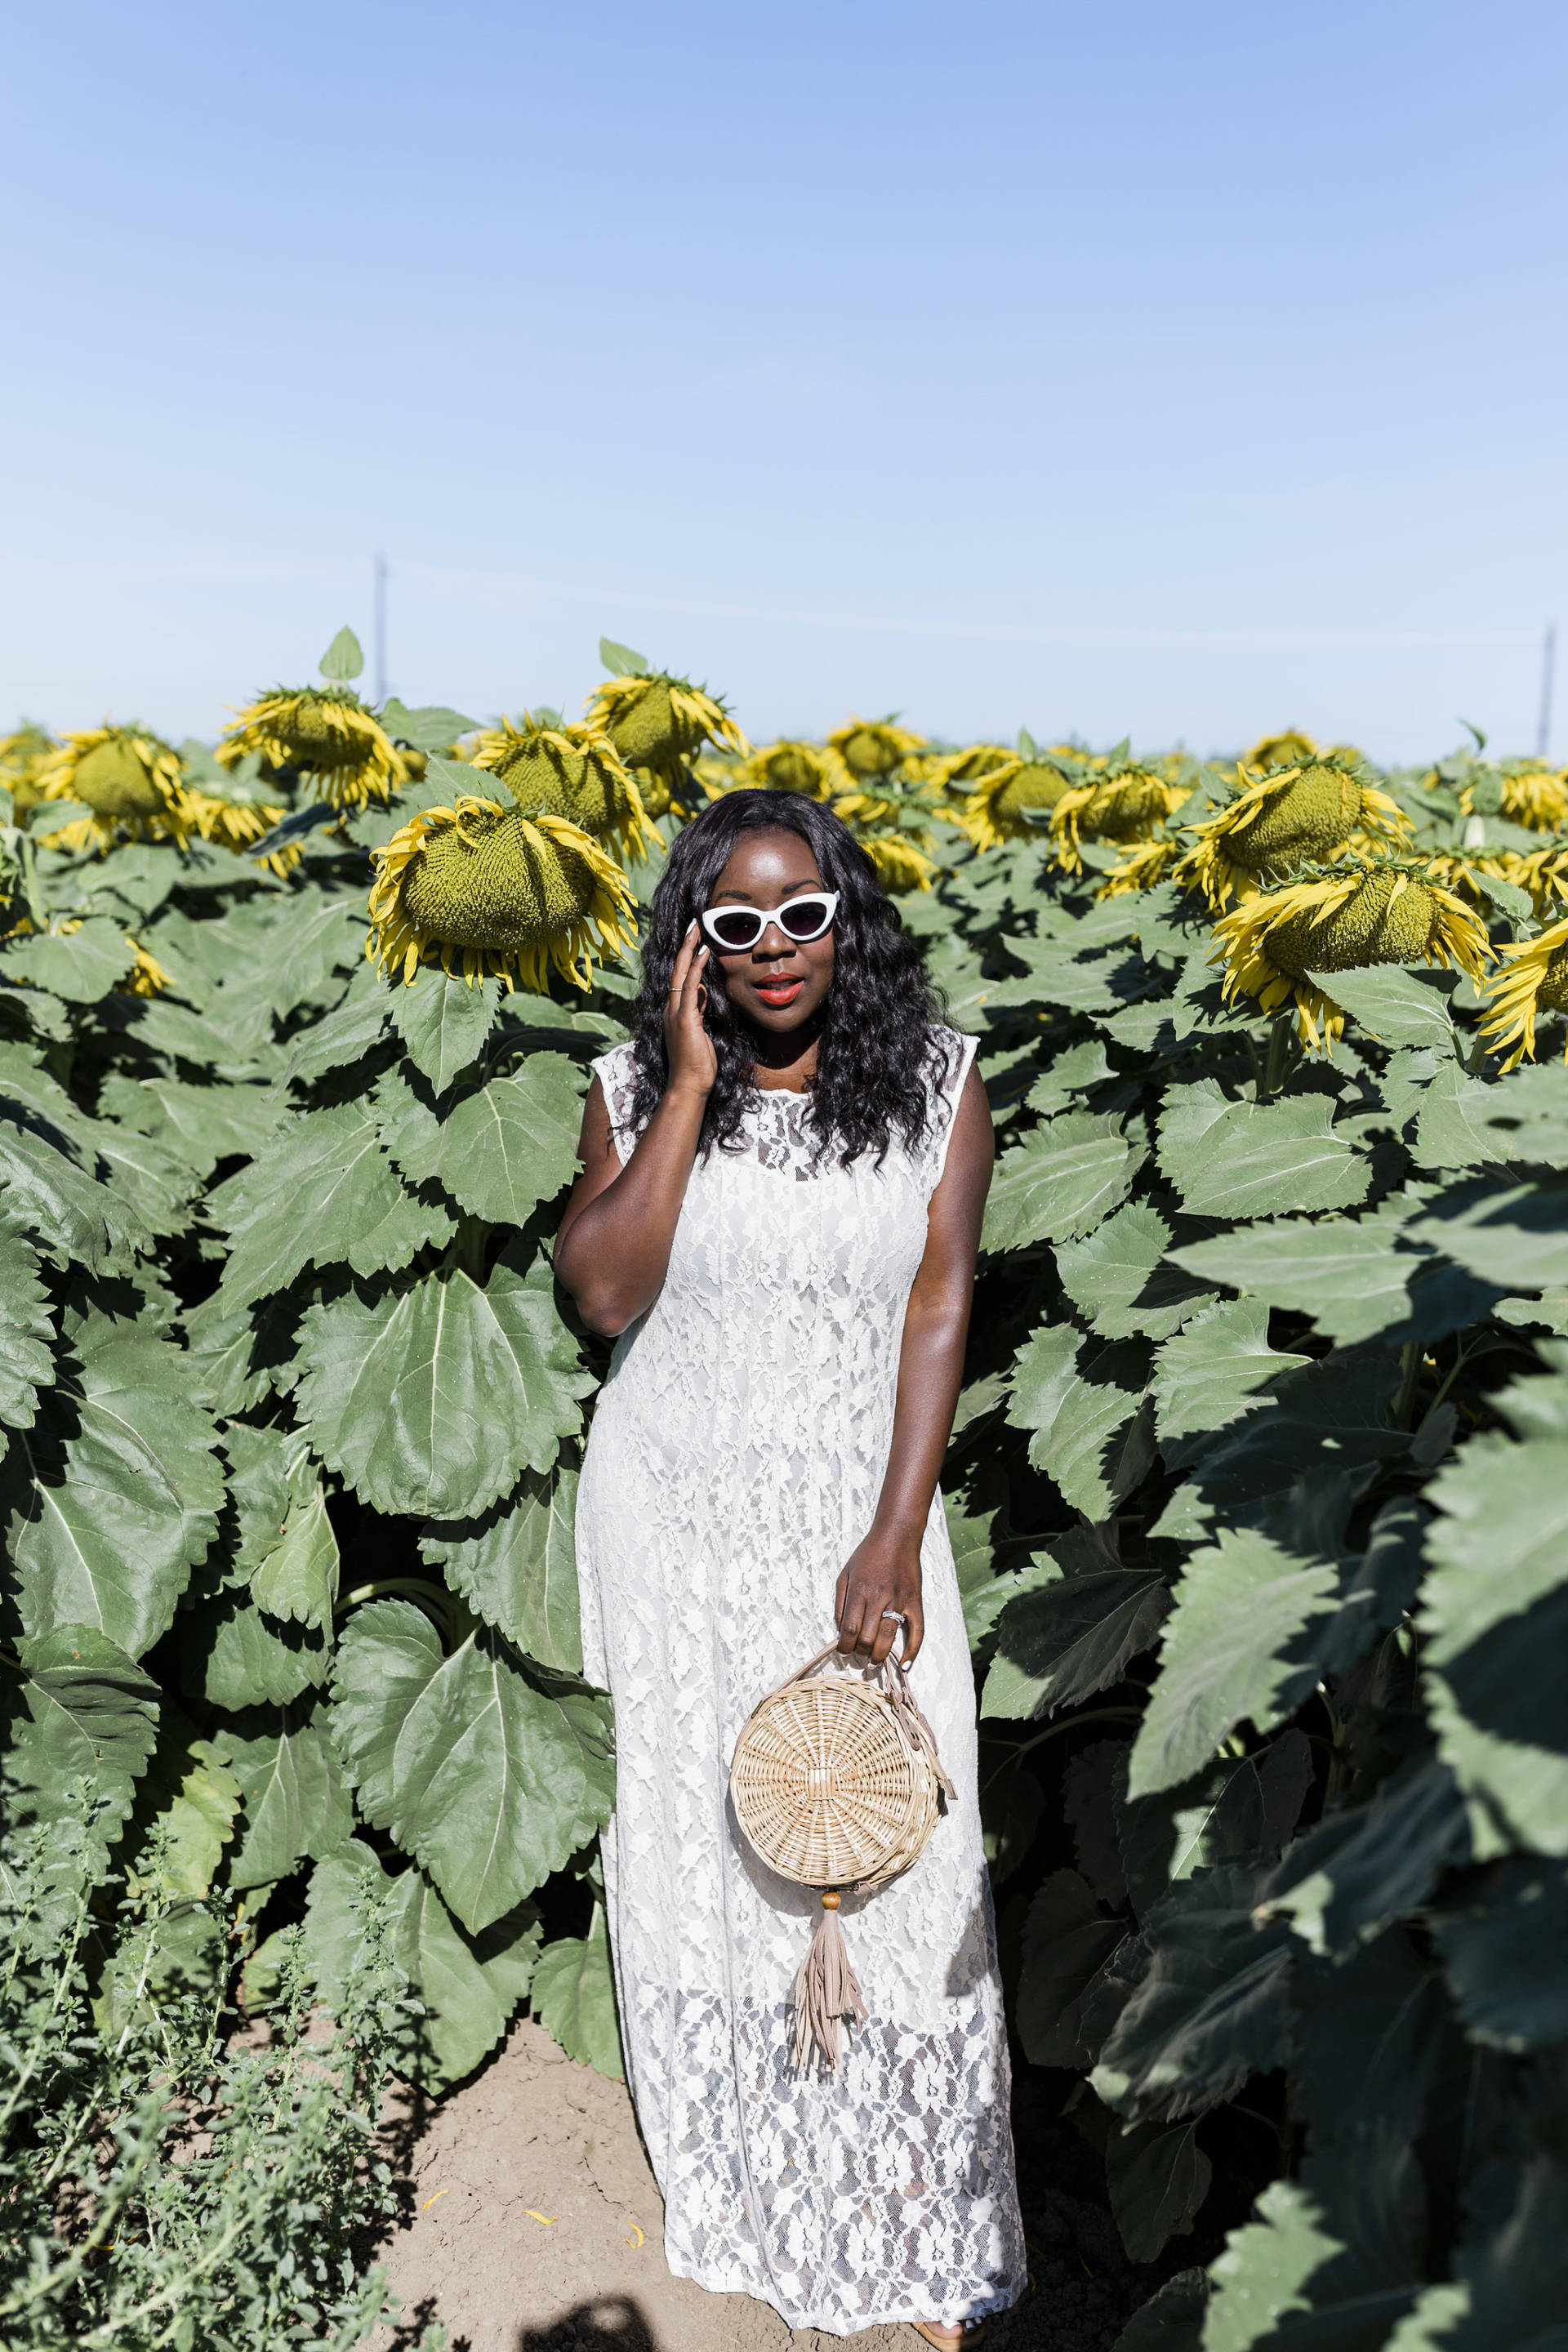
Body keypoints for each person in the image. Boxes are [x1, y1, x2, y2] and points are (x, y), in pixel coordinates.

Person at [555, 790, 1025, 2345]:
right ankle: (749, 2179)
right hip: (678, 1523)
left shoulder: (939, 1084)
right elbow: (605, 1299)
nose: (774, 952)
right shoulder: (630, 1083)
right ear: (697, 943)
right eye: (736, 925)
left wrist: (895, 1525)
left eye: (802, 916)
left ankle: (899, 2199)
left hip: (852, 1515)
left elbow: (939, 1302)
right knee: (704, 1852)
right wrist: (687, 1086)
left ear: (849, 921)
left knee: (893, 1842)